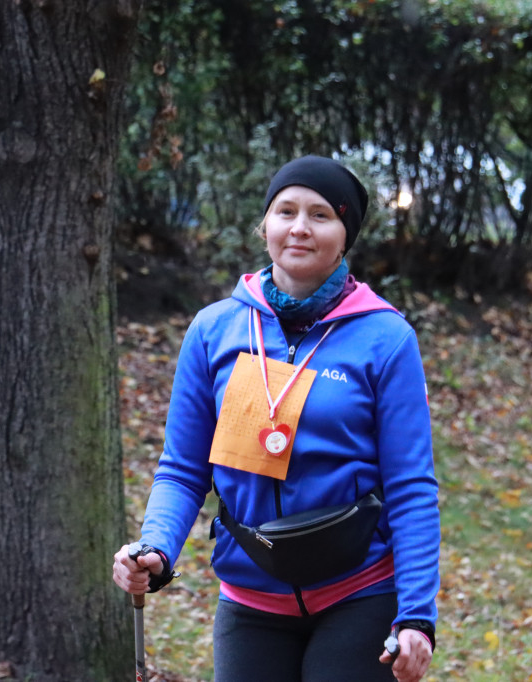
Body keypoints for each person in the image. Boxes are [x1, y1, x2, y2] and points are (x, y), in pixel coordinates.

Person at [113, 155, 440, 682]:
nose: (299, 228)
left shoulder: (386, 338)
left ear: (345, 234)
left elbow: (411, 486)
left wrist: (418, 616)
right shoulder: (213, 330)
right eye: (285, 211)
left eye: (320, 215)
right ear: (264, 225)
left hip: (359, 591)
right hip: (251, 601)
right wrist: (155, 548)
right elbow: (182, 469)